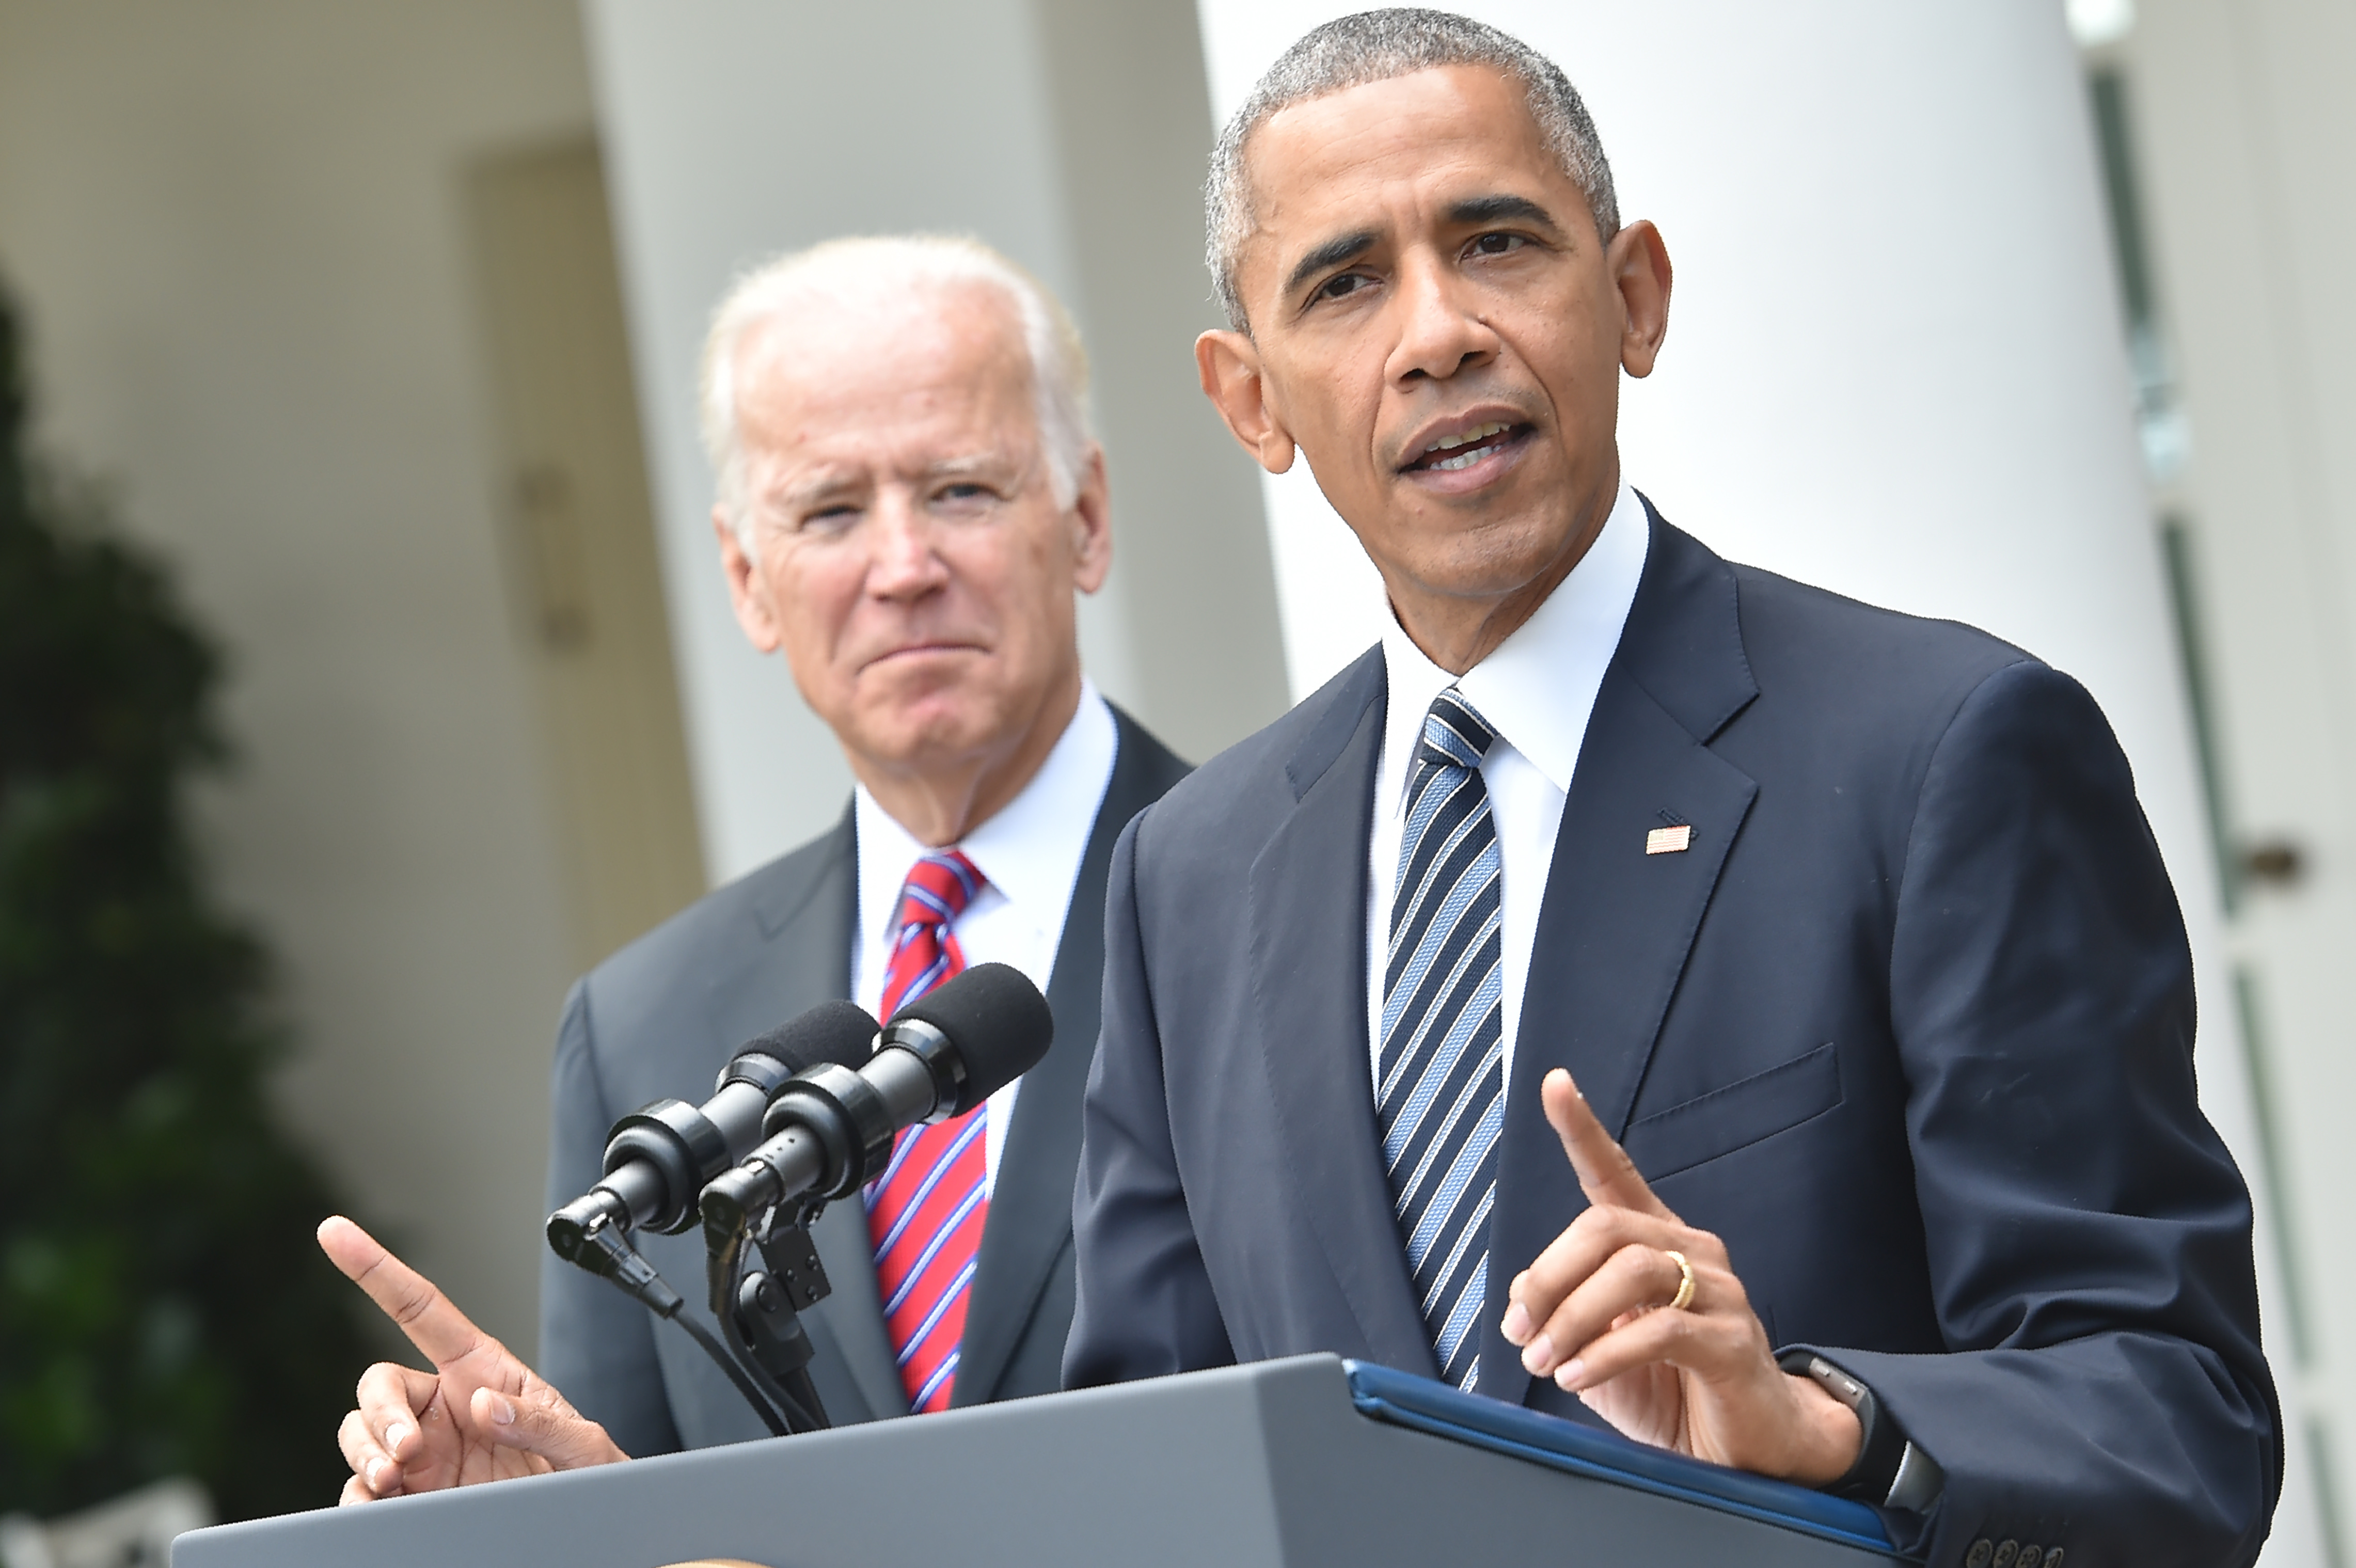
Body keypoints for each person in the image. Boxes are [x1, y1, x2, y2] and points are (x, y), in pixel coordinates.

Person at [1064, 12, 2278, 1567]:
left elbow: (2173, 1416)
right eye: (1345, 281)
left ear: (1632, 295)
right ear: (1250, 401)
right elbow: (1154, 1476)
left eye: (1496, 242)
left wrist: (1823, 1421)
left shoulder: (1942, 750)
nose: (1435, 332)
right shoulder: (1188, 874)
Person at [322, 234, 1189, 1501]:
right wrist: (529, 1517)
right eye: (831, 510)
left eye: (959, 489)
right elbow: (633, 1505)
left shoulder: (1290, 895)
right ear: (748, 577)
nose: (901, 568)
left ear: (1086, 519)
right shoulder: (638, 1024)